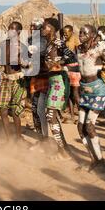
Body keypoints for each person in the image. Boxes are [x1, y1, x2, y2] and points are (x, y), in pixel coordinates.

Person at [77, 24, 105, 173]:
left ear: (92, 35)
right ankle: (93, 159)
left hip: (97, 91)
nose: (80, 34)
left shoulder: (98, 50)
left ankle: (101, 162)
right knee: (80, 127)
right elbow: (80, 68)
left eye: (84, 32)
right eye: (80, 32)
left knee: (89, 126)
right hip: (84, 90)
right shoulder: (79, 49)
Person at [41, 17, 77, 160]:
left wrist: (57, 64)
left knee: (50, 116)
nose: (43, 29)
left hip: (59, 82)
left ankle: (62, 152)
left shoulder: (58, 43)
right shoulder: (49, 44)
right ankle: (63, 148)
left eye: (45, 27)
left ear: (53, 28)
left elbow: (73, 59)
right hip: (52, 81)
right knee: (52, 116)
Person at [0, 22, 28, 143]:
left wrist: (23, 62)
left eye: (12, 29)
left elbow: (27, 65)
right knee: (3, 110)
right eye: (9, 29)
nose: (9, 31)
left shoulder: (23, 47)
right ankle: (9, 139)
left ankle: (19, 137)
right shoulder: (3, 45)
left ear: (19, 32)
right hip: (5, 79)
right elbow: (0, 61)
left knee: (15, 111)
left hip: (17, 80)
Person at [28, 18, 49, 142]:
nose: (32, 29)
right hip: (35, 77)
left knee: (41, 110)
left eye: (35, 26)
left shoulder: (46, 41)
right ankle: (40, 137)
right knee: (35, 108)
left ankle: (45, 139)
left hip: (45, 76)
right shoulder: (30, 40)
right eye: (31, 26)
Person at [63, 25, 81, 124]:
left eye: (66, 32)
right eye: (64, 33)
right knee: (70, 94)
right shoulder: (66, 40)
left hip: (74, 67)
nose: (65, 34)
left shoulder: (75, 39)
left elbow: (78, 53)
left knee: (75, 93)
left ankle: (81, 116)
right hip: (68, 67)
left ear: (71, 31)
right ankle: (72, 116)